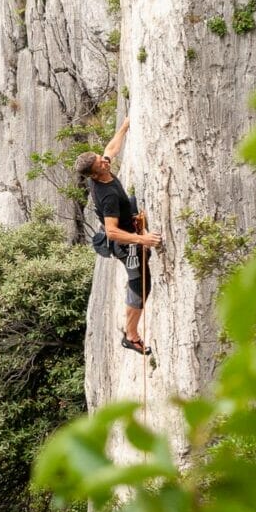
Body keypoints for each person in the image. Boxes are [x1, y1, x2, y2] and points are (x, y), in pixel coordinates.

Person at [75, 117, 162, 354]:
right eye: (100, 163)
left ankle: (130, 328)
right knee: (140, 284)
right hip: (125, 244)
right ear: (94, 174)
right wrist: (144, 239)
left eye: (100, 158)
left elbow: (110, 148)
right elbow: (112, 232)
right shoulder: (107, 196)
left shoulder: (102, 168)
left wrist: (124, 127)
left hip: (128, 227)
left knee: (139, 281)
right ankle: (131, 335)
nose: (105, 161)